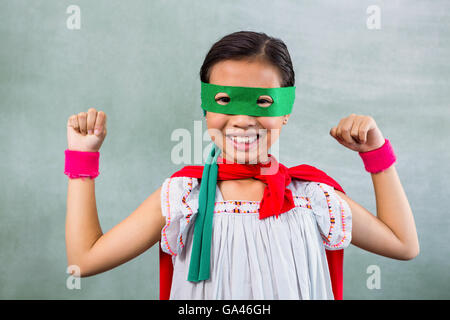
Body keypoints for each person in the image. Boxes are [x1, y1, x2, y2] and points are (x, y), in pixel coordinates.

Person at [64, 31, 419, 300]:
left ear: (286, 112)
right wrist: (83, 159)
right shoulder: (182, 197)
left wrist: (377, 155)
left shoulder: (312, 197)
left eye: (263, 102)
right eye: (224, 101)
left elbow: (403, 245)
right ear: (205, 108)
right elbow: (84, 260)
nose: (243, 119)